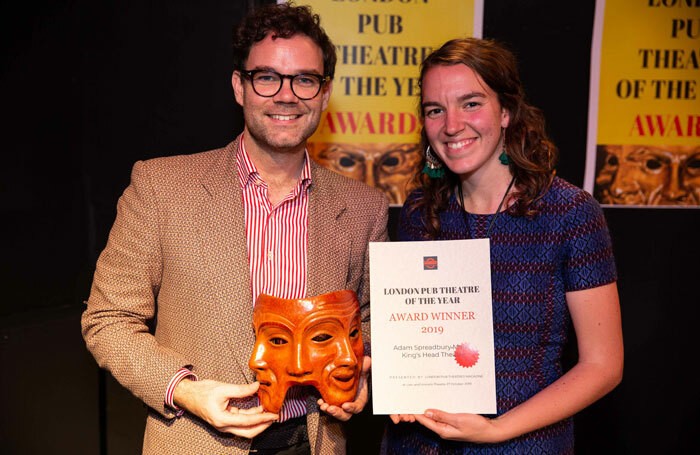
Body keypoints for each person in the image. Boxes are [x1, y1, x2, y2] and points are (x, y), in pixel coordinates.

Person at [81, 4, 388, 455]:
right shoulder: (162, 188)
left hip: (314, 441)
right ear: (239, 87)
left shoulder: (365, 206)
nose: (287, 95)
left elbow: (367, 324)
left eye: (305, 79)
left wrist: (363, 375)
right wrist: (183, 390)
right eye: (266, 77)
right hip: (195, 438)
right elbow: (107, 320)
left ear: (324, 94)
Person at [384, 38, 623, 454]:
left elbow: (603, 366)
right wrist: (399, 381)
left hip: (522, 446)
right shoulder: (420, 213)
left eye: (471, 103)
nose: (452, 125)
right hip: (415, 445)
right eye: (435, 110)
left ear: (507, 112)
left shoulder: (569, 214)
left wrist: (495, 430)